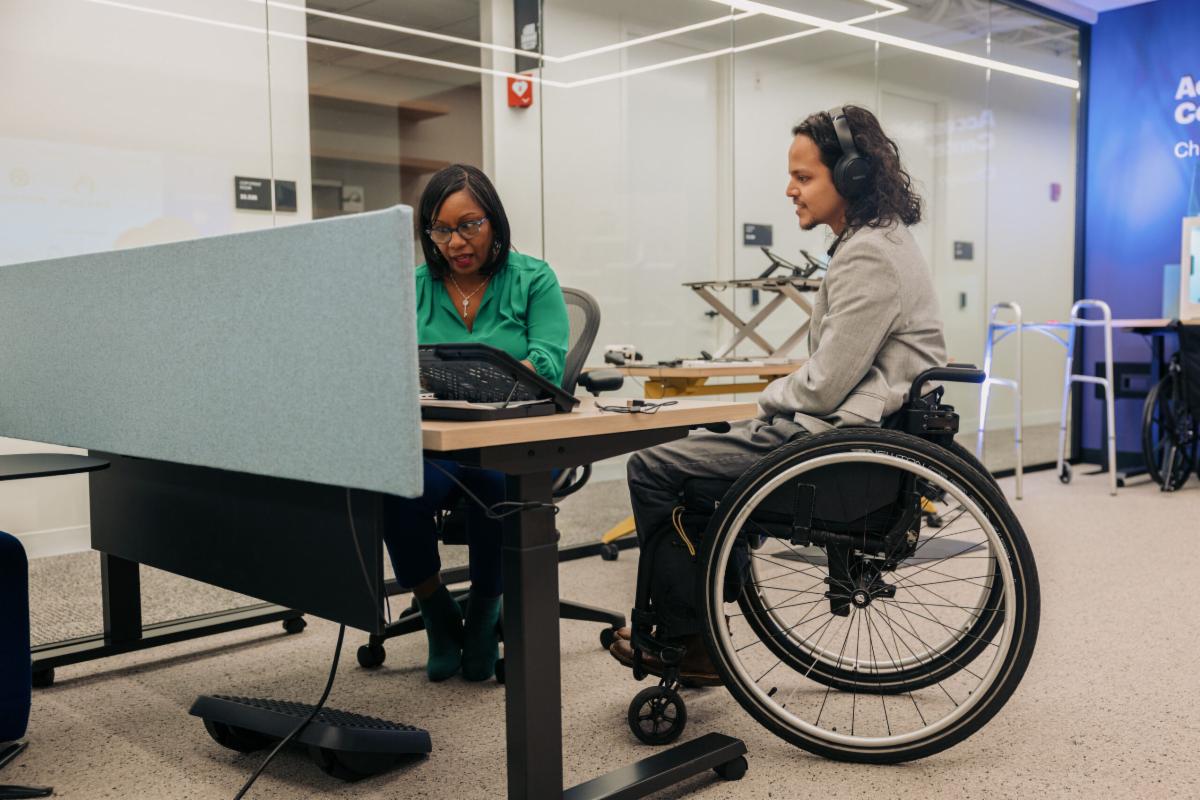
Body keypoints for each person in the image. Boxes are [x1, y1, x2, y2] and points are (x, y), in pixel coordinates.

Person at [609, 105, 947, 682]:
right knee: (703, 457)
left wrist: (765, 399)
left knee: (652, 470)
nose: (790, 189)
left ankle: (691, 641)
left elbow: (823, 386)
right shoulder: (878, 241)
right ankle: (704, 620)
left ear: (853, 175)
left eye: (803, 176)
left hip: (842, 453)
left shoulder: (869, 253)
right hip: (853, 439)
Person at [386, 164, 569, 682]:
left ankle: (487, 611)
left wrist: (489, 382)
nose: (456, 242)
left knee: (497, 485)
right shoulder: (414, 287)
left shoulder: (533, 278)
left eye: (469, 225)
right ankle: (436, 609)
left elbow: (548, 363)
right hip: (438, 441)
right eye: (441, 230)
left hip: (513, 438)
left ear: (494, 220)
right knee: (396, 488)